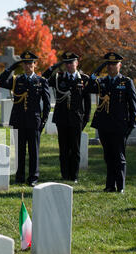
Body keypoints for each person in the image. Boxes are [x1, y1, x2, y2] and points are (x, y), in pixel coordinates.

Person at [0, 50, 51, 187]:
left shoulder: (41, 81)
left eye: (30, 63)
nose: (27, 66)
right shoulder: (17, 80)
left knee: (34, 151)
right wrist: (11, 68)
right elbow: (0, 82)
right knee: (19, 151)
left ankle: (33, 178)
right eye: (25, 64)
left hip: (34, 121)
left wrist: (43, 121)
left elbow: (47, 104)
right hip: (19, 121)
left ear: (35, 64)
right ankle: (19, 177)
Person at [88, 52, 136, 193]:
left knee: (119, 156)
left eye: (114, 64)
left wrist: (132, 123)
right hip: (104, 124)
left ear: (119, 65)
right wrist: (97, 70)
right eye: (108, 64)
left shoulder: (126, 82)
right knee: (108, 156)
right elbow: (88, 87)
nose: (111, 67)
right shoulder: (102, 81)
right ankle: (110, 185)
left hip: (120, 125)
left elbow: (132, 104)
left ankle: (120, 186)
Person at [42, 52, 91, 183]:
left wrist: (85, 118)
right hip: (62, 118)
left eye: (71, 62)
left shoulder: (84, 79)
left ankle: (74, 176)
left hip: (76, 118)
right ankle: (65, 175)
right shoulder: (58, 78)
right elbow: (43, 79)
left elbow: (87, 101)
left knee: (75, 149)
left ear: (77, 63)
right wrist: (53, 67)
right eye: (66, 63)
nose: (69, 65)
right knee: (63, 149)